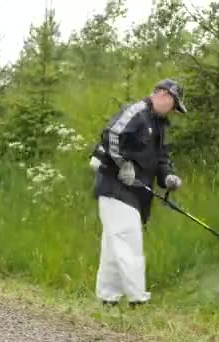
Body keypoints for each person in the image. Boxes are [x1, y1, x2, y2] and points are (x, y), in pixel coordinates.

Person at [88, 79, 187, 307]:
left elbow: (161, 158)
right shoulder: (137, 112)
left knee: (115, 244)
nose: (173, 110)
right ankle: (137, 298)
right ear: (163, 94)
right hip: (115, 186)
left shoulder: (159, 124)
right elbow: (112, 134)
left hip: (137, 191)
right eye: (173, 104)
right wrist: (123, 164)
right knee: (128, 240)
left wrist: (168, 178)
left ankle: (108, 297)